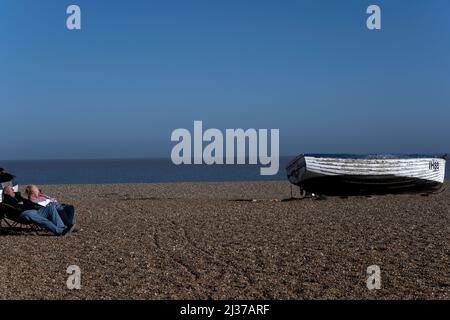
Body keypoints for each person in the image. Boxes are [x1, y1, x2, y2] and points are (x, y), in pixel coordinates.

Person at [2, 186, 73, 236]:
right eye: (10, 189)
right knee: (43, 220)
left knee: (51, 207)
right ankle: (60, 231)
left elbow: (30, 203)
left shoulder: (19, 197)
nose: (12, 189)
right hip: (25, 213)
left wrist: (40, 207)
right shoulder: (6, 201)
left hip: (34, 210)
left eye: (12, 188)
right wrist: (19, 205)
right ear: (6, 192)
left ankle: (62, 227)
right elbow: (12, 209)